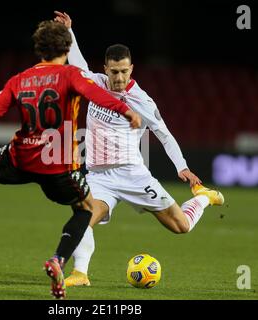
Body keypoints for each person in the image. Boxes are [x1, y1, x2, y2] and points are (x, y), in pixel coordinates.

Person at [0, 20, 141, 299]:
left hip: (21, 157)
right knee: (87, 209)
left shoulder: (20, 79)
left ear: (39, 49)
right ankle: (58, 260)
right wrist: (125, 111)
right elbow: (95, 94)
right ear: (66, 48)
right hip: (58, 164)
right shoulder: (71, 75)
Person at [54, 11, 224, 287]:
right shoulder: (94, 84)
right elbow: (77, 61)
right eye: (113, 71)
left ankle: (204, 198)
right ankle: (80, 273)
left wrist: (182, 167)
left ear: (131, 69)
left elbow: (165, 134)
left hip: (133, 174)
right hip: (99, 177)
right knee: (82, 218)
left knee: (181, 227)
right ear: (106, 69)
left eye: (124, 71)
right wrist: (69, 32)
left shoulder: (141, 100)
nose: (119, 77)